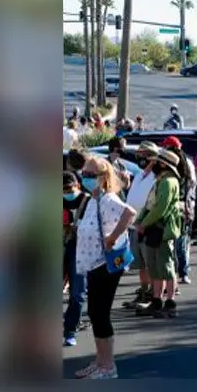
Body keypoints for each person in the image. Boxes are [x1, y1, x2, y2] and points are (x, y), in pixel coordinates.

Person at [73, 157, 138, 379]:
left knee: (100, 313)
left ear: (103, 177)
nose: (85, 178)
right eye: (84, 174)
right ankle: (100, 361)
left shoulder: (108, 198)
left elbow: (130, 213)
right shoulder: (94, 199)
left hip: (105, 264)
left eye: (90, 175)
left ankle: (108, 366)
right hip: (93, 263)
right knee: (94, 312)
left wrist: (112, 237)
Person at [134, 149, 183, 317]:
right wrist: (140, 220)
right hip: (153, 227)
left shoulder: (168, 182)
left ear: (163, 164)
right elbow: (149, 204)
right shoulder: (161, 180)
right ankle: (156, 300)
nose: (152, 164)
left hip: (162, 228)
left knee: (166, 266)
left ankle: (170, 302)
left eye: (156, 162)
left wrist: (144, 223)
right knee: (154, 266)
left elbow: (161, 207)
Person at [122, 142, 160, 310]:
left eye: (143, 154)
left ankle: (153, 295)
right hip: (134, 226)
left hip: (148, 226)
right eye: (138, 154)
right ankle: (144, 292)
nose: (140, 158)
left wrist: (144, 222)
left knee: (151, 263)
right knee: (140, 264)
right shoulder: (139, 175)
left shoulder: (157, 177)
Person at [163, 136, 196, 285]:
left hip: (176, 207)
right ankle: (183, 272)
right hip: (185, 207)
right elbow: (193, 185)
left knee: (175, 242)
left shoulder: (170, 165)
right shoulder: (187, 163)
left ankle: (177, 272)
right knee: (182, 242)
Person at [63, 171, 90, 347]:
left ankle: (70, 330)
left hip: (80, 249)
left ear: (77, 185)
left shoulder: (88, 201)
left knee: (77, 293)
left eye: (69, 189)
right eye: (62, 190)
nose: (66, 193)